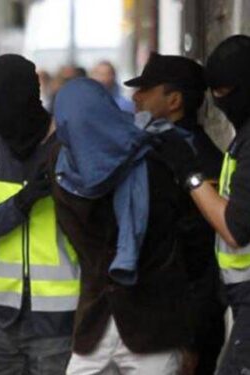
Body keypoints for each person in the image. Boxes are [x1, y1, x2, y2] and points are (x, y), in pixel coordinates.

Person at [51, 78, 192, 374]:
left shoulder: (153, 161)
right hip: (95, 328)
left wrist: (189, 334)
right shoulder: (65, 176)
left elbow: (184, 247)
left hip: (152, 330)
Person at [0, 54, 78, 374]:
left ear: (15, 98)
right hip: (6, 324)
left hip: (60, 330)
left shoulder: (68, 145)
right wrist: (20, 205)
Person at [124, 52, 225, 375]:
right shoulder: (157, 148)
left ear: (174, 100)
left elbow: (200, 256)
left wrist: (191, 339)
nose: (136, 97)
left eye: (147, 89)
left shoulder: (193, 158)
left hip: (185, 323)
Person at [154, 34, 250, 375]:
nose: (219, 103)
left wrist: (189, 174)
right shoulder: (242, 139)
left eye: (224, 94)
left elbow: (235, 229)